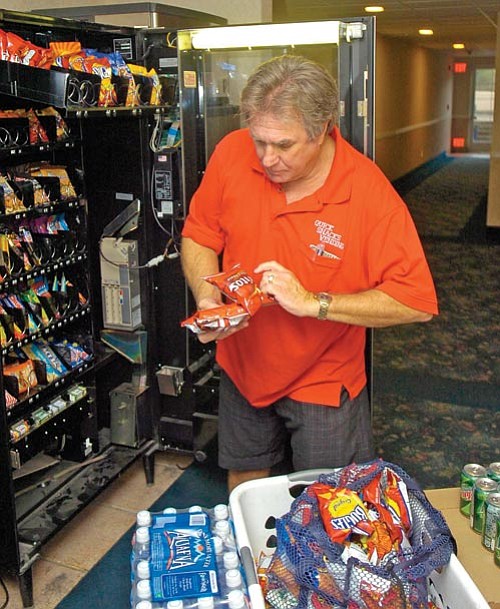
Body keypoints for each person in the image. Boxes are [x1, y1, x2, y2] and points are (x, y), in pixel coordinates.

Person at [180, 54, 438, 493]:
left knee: (330, 502)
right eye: (260, 140)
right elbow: (200, 235)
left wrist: (313, 303)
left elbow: (415, 302)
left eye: (284, 145)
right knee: (245, 488)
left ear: (321, 132)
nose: (267, 157)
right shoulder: (232, 152)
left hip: (323, 374)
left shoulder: (368, 193)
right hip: (245, 363)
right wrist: (208, 300)